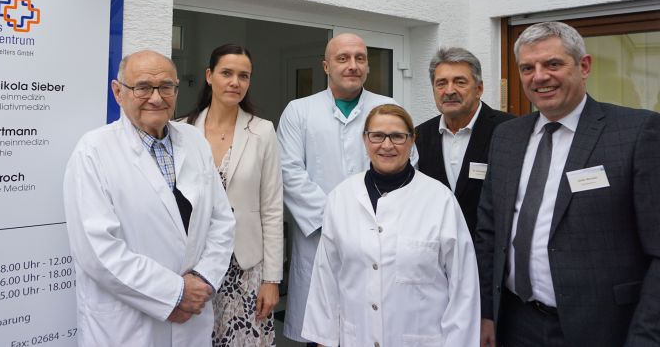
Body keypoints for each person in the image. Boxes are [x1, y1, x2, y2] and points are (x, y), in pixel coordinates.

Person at [476, 21, 660, 347]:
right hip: (516, 324)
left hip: (603, 329)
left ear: (584, 66)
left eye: (553, 64)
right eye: (527, 67)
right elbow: (490, 232)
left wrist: (646, 337)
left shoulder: (635, 132)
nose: (540, 77)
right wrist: (486, 312)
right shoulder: (507, 137)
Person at [63, 50, 235, 346]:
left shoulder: (194, 141)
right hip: (128, 324)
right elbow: (97, 252)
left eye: (166, 86)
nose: (156, 97)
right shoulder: (93, 151)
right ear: (118, 92)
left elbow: (221, 220)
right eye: (142, 87)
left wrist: (203, 280)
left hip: (193, 313)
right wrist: (175, 292)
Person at [277, 32, 417, 343]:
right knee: (323, 330)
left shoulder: (388, 107)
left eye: (360, 58)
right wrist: (341, 221)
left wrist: (373, 222)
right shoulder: (299, 111)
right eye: (343, 58)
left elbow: (408, 167)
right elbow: (289, 173)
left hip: (381, 239)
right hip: (319, 238)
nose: (352, 65)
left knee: (378, 325)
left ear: (367, 66)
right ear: (326, 66)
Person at [302, 104, 480, 346]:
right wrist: (324, 340)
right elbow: (326, 278)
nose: (387, 145)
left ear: (412, 140)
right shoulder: (341, 197)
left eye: (397, 136)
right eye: (377, 136)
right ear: (365, 140)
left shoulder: (440, 199)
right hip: (357, 337)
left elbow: (463, 285)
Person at [184, 44, 283, 346]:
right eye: (227, 73)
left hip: (246, 267)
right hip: (195, 268)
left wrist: (272, 280)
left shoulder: (262, 131)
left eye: (244, 76)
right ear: (209, 76)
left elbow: (272, 208)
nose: (235, 82)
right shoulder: (182, 131)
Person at [416, 47, 514, 234]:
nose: (449, 91)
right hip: (437, 254)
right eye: (441, 83)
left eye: (460, 82)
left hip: (489, 253)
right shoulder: (419, 136)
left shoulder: (509, 130)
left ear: (479, 89)